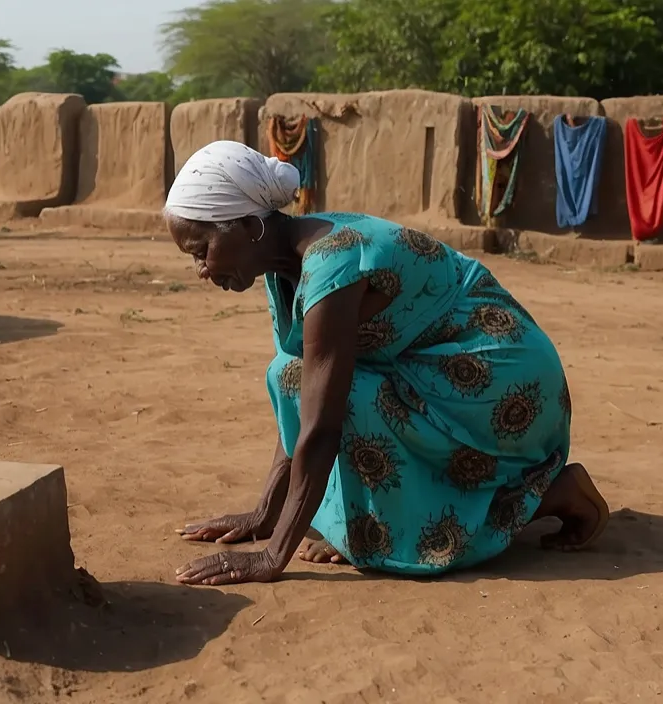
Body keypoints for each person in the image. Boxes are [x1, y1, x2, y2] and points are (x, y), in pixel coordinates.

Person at [166, 141, 609, 587]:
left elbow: (320, 426)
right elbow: (300, 390)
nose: (201, 269)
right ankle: (377, 528)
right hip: (439, 372)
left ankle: (552, 494)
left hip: (502, 381)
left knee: (348, 397)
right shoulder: (286, 264)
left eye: (201, 249)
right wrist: (265, 514)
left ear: (247, 226)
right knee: (289, 374)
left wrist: (270, 558)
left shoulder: (332, 266)